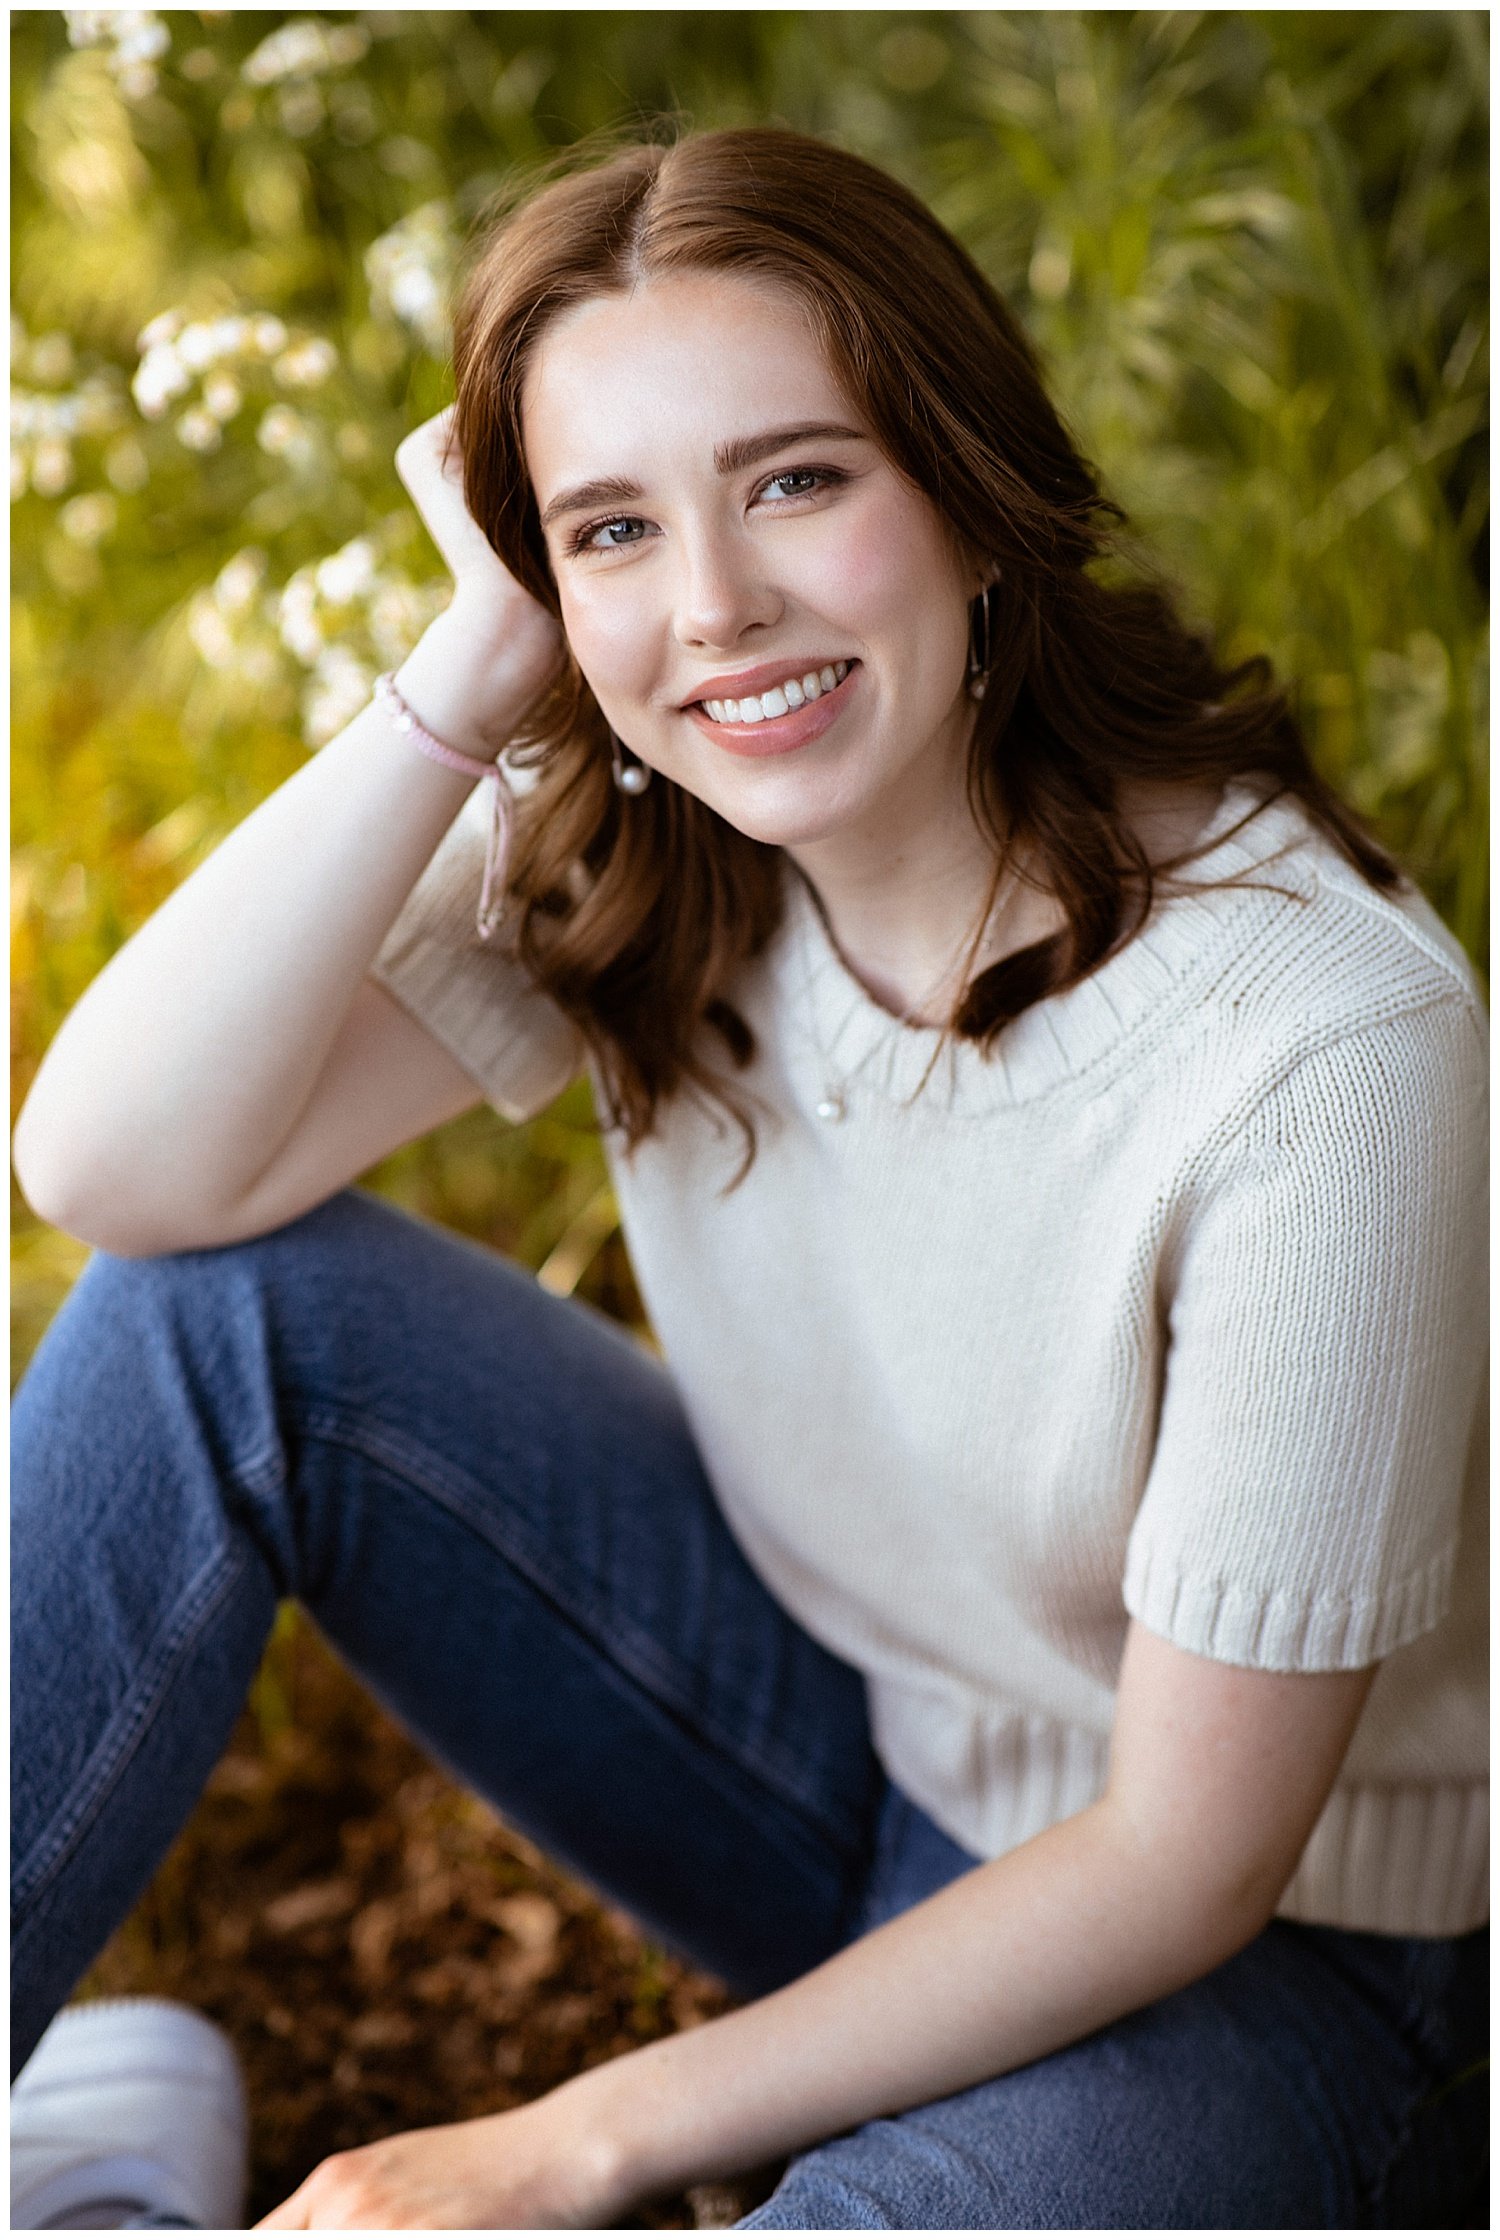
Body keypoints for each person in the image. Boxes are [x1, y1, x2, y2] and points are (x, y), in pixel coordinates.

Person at [12, 127, 1486, 2232]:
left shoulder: (1322, 1040)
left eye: (798, 478)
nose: (715, 610)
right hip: (864, 1769)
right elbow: (109, 1168)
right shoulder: (662, 840)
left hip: (1305, 1967)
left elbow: (1189, 1857)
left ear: (970, 488)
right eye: (612, 528)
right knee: (213, 1321)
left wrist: (570, 2136)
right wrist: (477, 667)